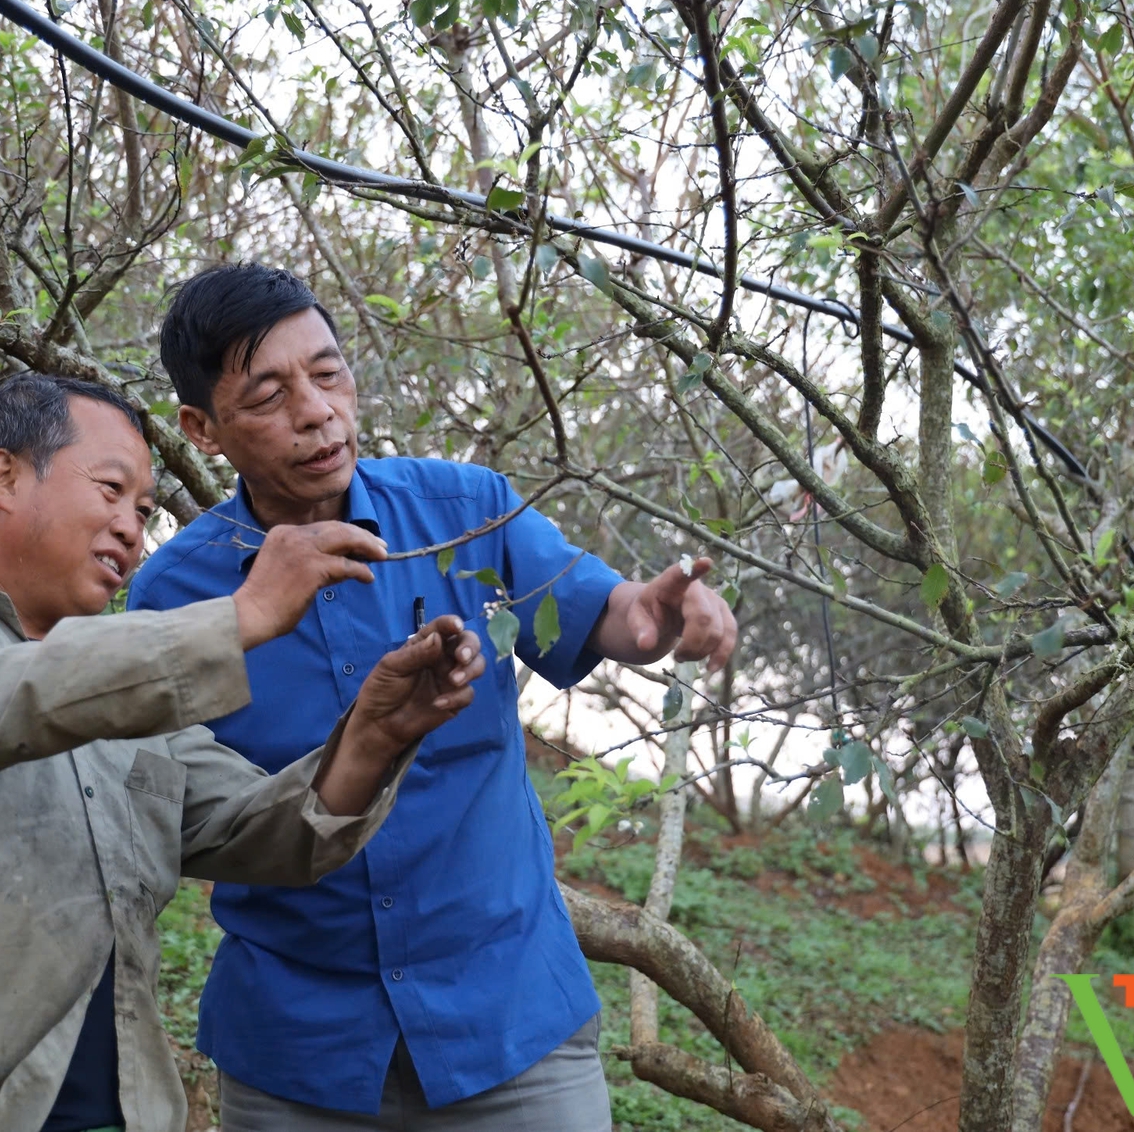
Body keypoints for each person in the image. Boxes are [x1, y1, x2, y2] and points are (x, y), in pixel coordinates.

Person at [0, 372, 487, 1132]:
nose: (131, 528)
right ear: (6, 476)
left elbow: (265, 829)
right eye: (111, 490)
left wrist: (378, 734)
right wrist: (241, 615)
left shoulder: (133, 707)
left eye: (144, 511)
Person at [126, 265, 738, 1130]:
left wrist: (656, 613)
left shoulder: (465, 512)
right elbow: (176, 813)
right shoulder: (174, 600)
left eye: (328, 373)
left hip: (509, 1027)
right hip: (300, 1052)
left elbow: (611, 610)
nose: (315, 412)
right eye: (268, 395)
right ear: (203, 428)